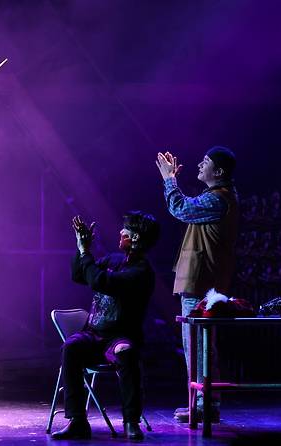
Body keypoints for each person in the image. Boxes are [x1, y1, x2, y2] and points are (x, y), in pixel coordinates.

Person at [51, 211, 160, 440]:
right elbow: (79, 275)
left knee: (126, 352)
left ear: (136, 238)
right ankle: (77, 421)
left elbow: (100, 281)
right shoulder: (113, 259)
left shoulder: (141, 272)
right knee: (71, 347)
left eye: (126, 230)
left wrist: (85, 253)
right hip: (94, 334)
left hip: (121, 336)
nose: (121, 232)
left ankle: (131, 421)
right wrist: (82, 247)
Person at [155, 146, 239, 423]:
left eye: (206, 162)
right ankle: (201, 402)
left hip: (202, 280)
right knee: (197, 345)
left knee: (198, 345)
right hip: (200, 279)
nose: (200, 165)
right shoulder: (213, 196)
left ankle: (205, 403)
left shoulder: (219, 199)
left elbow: (180, 208)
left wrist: (169, 180)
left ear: (220, 171)